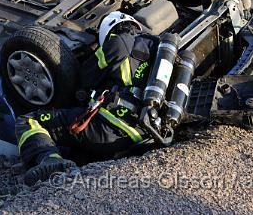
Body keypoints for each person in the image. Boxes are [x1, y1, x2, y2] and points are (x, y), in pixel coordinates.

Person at [15, 14, 156, 185]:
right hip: (147, 127)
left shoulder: (116, 43)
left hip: (113, 127)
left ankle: (49, 159)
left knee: (29, 120)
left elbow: (84, 78)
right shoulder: (155, 43)